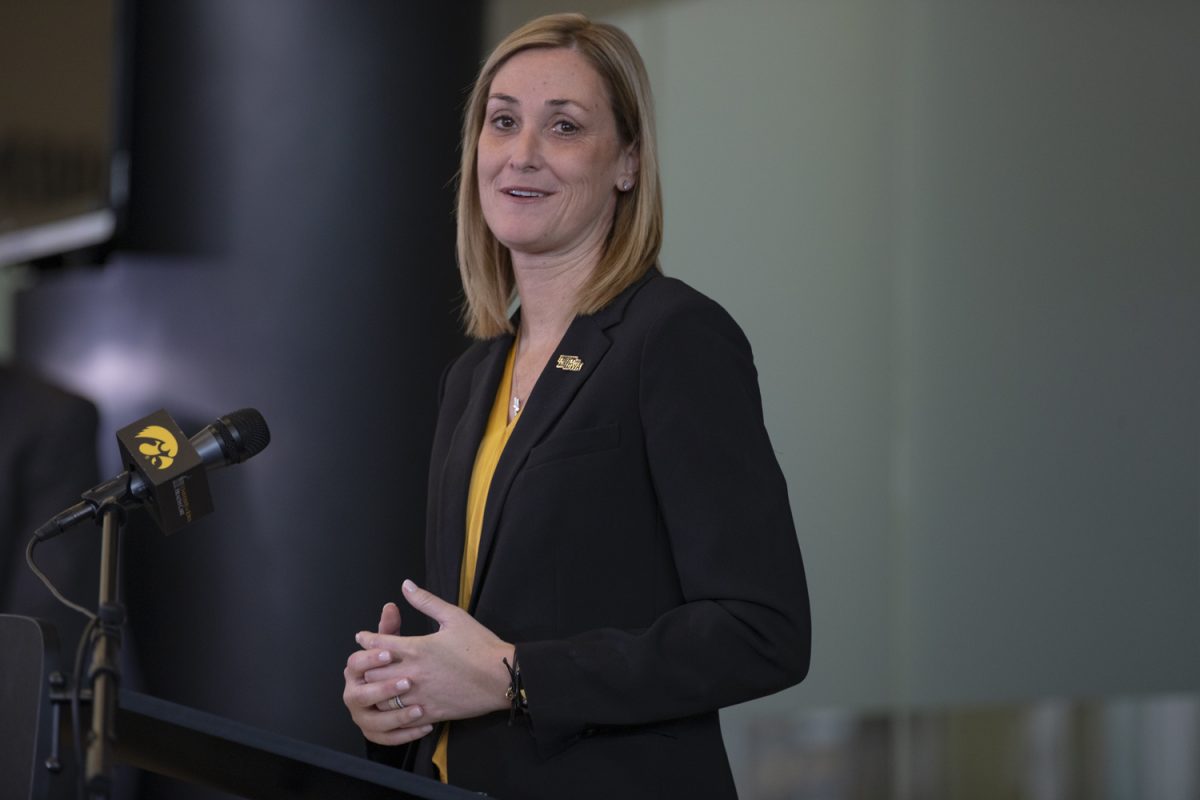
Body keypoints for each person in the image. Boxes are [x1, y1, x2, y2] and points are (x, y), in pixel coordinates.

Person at [342, 13, 810, 798]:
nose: (522, 153)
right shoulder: (470, 379)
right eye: (503, 122)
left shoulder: (674, 338)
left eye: (564, 126)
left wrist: (518, 677)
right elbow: (479, 647)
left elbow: (762, 632)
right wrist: (403, 698)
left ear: (627, 162)